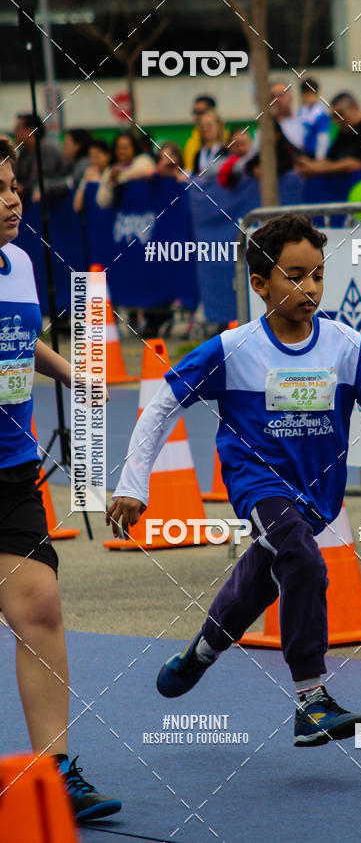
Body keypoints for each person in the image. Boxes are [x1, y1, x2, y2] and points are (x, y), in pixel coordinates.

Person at [106, 212, 361, 747]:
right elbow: (161, 405)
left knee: (262, 577)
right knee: (301, 557)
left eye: (317, 274)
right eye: (294, 275)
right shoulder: (233, 349)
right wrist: (134, 484)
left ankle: (202, 650)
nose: (309, 287)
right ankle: (311, 700)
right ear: (259, 284)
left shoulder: (344, 343)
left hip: (317, 495)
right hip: (258, 484)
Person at [0, 140, 121, 820]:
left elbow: (17, 338)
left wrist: (72, 372)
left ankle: (54, 777)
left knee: (39, 606)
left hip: (9, 469)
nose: (14, 198)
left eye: (15, 185)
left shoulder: (17, 262)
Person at [295, 93, 361, 178]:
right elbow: (330, 160)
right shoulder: (344, 132)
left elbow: (357, 164)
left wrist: (318, 169)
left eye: (339, 114)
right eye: (333, 116)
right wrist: (310, 164)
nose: (336, 120)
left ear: (353, 108)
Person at [13, 114, 66, 205]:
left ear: (31, 130)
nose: (14, 132)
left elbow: (39, 180)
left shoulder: (47, 149)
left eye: (18, 128)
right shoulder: (24, 152)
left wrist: (18, 188)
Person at [96, 131, 155, 208]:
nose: (122, 151)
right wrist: (111, 181)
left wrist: (119, 178)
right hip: (122, 216)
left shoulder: (144, 159)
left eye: (125, 147)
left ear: (134, 147)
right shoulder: (110, 170)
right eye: (119, 147)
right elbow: (102, 203)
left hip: (144, 214)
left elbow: (148, 171)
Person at [37, 128, 93, 202]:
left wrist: (46, 188)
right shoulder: (68, 164)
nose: (62, 146)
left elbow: (71, 182)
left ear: (77, 146)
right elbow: (57, 177)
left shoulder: (84, 164)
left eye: (66, 143)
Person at [72, 139, 110, 213]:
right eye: (91, 157)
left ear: (108, 156)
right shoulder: (87, 177)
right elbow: (76, 207)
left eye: (97, 157)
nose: (93, 161)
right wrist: (84, 181)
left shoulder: (112, 173)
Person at [297, 77, 331, 159]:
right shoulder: (302, 111)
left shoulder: (321, 113)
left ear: (316, 95)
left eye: (309, 95)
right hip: (304, 151)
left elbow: (323, 137)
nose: (306, 98)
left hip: (317, 153)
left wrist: (320, 158)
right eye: (304, 95)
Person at [183, 95, 217, 172]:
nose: (196, 116)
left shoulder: (226, 139)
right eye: (194, 112)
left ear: (212, 112)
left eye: (201, 112)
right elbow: (190, 171)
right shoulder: (191, 142)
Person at [269, 80, 305, 151]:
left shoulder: (304, 119)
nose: (278, 100)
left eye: (281, 95)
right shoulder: (270, 127)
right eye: (273, 97)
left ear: (290, 96)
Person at [192, 111, 227, 176]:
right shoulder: (198, 154)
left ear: (218, 126)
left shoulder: (226, 152)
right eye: (202, 126)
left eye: (209, 125)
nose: (205, 129)